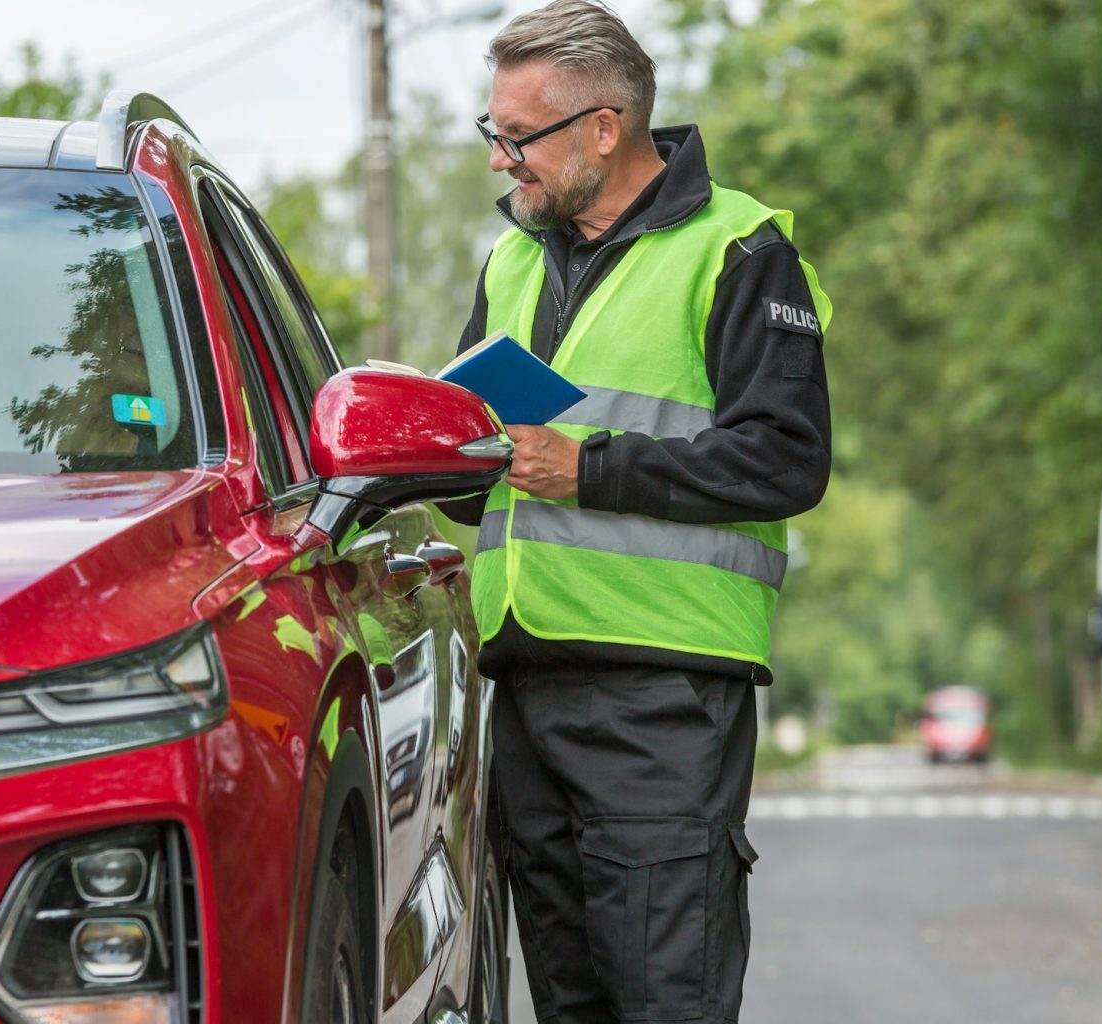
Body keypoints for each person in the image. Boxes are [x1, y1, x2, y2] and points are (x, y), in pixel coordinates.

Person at [439, 2, 833, 1021]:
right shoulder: (514, 258)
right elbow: (490, 456)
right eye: (495, 134)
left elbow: (788, 459)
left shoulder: (738, 249)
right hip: (525, 689)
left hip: (663, 699)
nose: (500, 162)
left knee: (667, 1002)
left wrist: (593, 471)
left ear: (603, 128)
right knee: (570, 1006)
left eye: (516, 138)